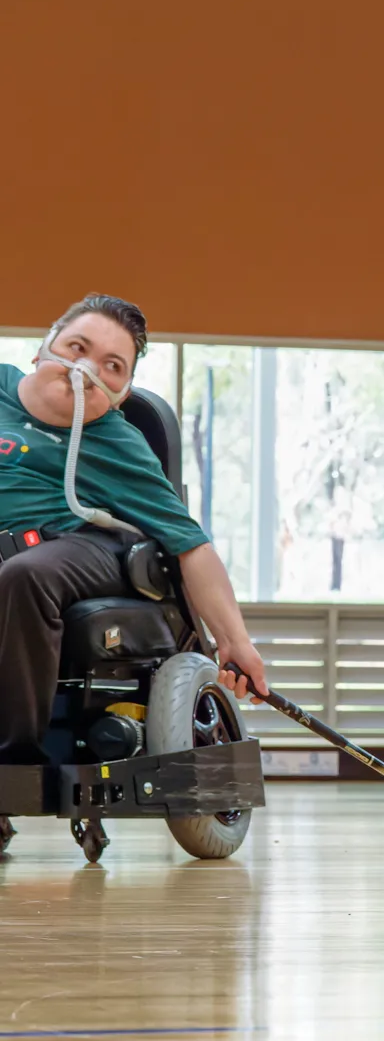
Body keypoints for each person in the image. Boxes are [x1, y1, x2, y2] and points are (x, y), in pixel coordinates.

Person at [0, 294, 267, 765]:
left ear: (122, 391)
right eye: (77, 347)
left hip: (76, 544)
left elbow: (190, 546)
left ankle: (14, 758)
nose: (87, 369)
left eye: (112, 365)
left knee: (26, 574)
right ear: (42, 349)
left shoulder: (117, 443)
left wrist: (235, 643)